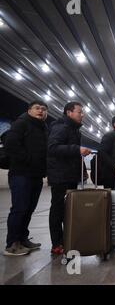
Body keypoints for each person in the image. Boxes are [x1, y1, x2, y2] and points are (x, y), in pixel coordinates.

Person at [3, 101, 48, 256]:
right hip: (21, 174)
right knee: (19, 209)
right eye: (37, 108)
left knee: (29, 209)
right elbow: (11, 145)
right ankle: (12, 244)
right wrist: (28, 160)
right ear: (29, 110)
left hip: (35, 175)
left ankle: (23, 239)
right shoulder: (21, 124)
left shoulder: (42, 128)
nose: (41, 111)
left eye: (43, 109)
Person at [47, 102, 91, 255]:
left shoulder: (74, 130)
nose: (82, 114)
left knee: (68, 209)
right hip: (60, 175)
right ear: (69, 113)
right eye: (80, 112)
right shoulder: (61, 127)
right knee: (58, 209)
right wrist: (77, 149)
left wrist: (81, 171)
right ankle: (57, 243)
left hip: (70, 174)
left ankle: (68, 239)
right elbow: (53, 148)